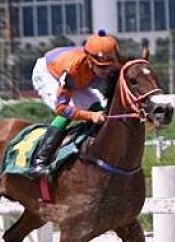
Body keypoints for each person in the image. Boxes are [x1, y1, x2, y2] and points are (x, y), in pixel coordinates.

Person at [28, 30, 123, 177]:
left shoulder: (115, 65)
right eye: (101, 66)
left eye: (109, 65)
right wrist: (90, 116)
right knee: (70, 113)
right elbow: (61, 108)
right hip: (49, 73)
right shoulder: (73, 70)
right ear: (90, 61)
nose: (106, 71)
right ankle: (40, 160)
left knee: (98, 108)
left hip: (79, 81)